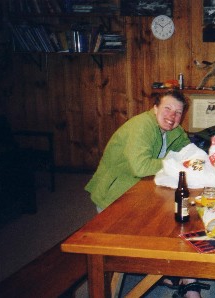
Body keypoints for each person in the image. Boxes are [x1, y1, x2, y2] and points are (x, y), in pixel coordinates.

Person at [85, 90, 206, 298]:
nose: (172, 116)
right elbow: (140, 167)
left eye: (178, 113)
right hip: (115, 197)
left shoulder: (171, 129)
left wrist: (201, 159)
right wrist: (178, 163)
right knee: (170, 221)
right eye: (168, 108)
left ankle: (181, 273)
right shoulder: (142, 125)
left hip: (141, 190)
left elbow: (188, 149)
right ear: (155, 108)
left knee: (183, 213)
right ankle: (178, 274)